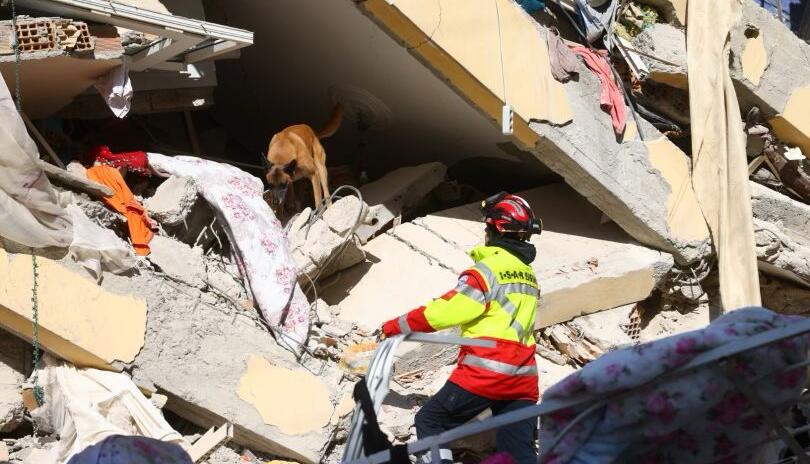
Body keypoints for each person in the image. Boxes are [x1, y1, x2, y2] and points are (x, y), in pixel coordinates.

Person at [380, 192, 543, 464]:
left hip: (487, 372)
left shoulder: (486, 271)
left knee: (431, 420)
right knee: (518, 452)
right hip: (523, 379)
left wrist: (393, 326)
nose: (485, 231)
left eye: (487, 225)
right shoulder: (528, 275)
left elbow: (446, 311)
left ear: (496, 228)